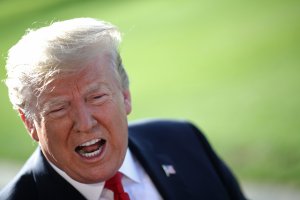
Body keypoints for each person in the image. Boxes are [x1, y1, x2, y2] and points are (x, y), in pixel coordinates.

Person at [0, 18, 246, 200]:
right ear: (30, 122)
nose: (84, 123)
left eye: (96, 96)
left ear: (125, 95)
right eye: (59, 108)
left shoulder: (185, 142)